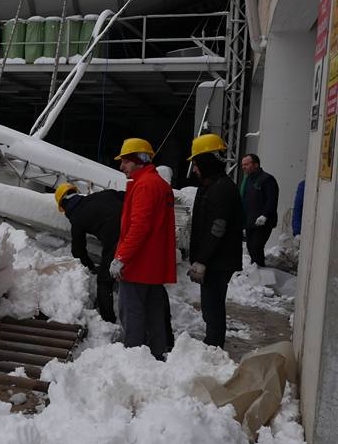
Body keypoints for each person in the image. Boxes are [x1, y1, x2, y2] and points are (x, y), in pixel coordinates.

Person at [109, 137, 177, 360]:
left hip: (139, 265)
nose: (122, 167)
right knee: (153, 314)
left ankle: (134, 359)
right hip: (153, 266)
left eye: (126, 162)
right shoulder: (158, 184)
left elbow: (139, 226)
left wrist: (121, 257)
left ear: (139, 160)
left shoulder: (145, 185)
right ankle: (155, 356)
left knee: (133, 313)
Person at [187, 134, 242, 348]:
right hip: (214, 259)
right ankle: (212, 343)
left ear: (206, 162)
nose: (194, 169)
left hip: (218, 261)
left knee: (213, 305)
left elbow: (217, 229)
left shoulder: (222, 189)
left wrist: (202, 260)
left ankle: (214, 346)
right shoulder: (210, 185)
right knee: (210, 304)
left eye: (196, 164)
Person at [55, 183, 124, 323]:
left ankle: (107, 323)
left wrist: (90, 266)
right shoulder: (105, 194)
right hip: (138, 233)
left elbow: (78, 250)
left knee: (104, 282)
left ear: (63, 206)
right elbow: (130, 196)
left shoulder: (77, 218)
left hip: (117, 242)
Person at [240, 153, 279, 267]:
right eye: (243, 165)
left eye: (246, 164)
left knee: (257, 247)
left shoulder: (267, 179)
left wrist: (265, 215)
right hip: (250, 221)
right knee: (251, 248)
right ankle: (254, 272)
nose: (243, 167)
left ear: (256, 165)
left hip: (263, 222)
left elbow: (272, 200)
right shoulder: (247, 180)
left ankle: (259, 272)